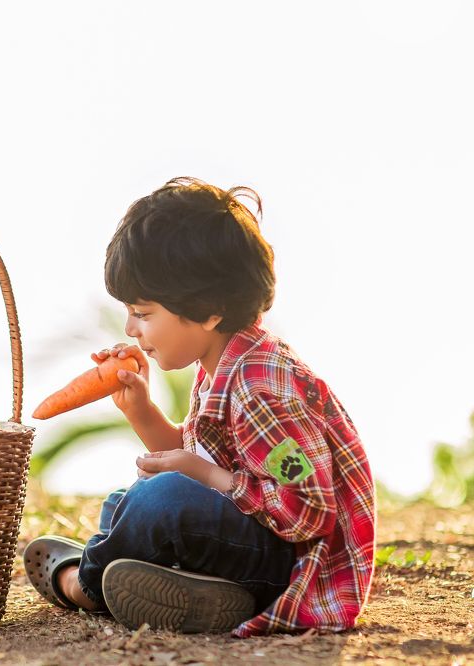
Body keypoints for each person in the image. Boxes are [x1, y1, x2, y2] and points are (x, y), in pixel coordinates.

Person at [23, 177, 376, 637]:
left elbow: (308, 511)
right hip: (252, 544)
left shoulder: (260, 387)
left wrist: (206, 477)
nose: (130, 328)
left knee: (158, 501)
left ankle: (85, 584)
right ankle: (205, 589)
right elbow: (193, 458)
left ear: (209, 310)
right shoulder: (222, 365)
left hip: (291, 569)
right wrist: (141, 411)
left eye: (144, 313)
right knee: (126, 503)